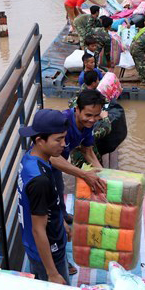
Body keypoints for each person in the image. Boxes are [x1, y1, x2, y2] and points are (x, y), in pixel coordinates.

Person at [50, 90, 108, 275]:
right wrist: (84, 175)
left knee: (59, 193)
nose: (92, 119)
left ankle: (64, 214)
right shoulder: (62, 123)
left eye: (96, 115)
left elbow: (88, 152)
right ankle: (59, 261)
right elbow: (52, 158)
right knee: (52, 218)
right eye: (88, 115)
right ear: (77, 110)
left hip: (58, 166)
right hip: (44, 168)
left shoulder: (88, 124)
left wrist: (105, 175)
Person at [17, 110, 70, 284]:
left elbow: (47, 205)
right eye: (58, 139)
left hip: (38, 244)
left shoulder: (32, 157)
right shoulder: (39, 181)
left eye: (64, 137)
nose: (64, 144)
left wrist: (61, 222)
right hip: (48, 253)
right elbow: (38, 229)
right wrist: (52, 273)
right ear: (40, 140)